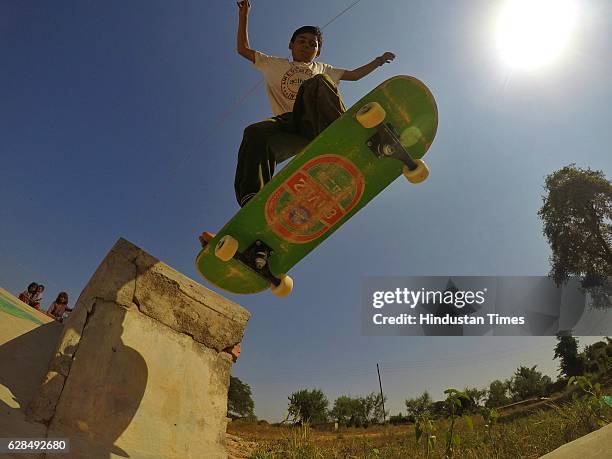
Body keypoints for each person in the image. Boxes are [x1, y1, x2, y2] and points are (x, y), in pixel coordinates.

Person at [233, 0, 396, 207]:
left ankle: (342, 135)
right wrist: (244, 15)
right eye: (302, 41)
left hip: (317, 122)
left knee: (318, 82)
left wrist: (379, 60)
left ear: (318, 52)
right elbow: (243, 49)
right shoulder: (273, 64)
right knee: (254, 132)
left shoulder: (322, 67)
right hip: (290, 127)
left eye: (313, 44)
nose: (307, 45)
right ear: (291, 45)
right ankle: (253, 199)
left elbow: (355, 75)